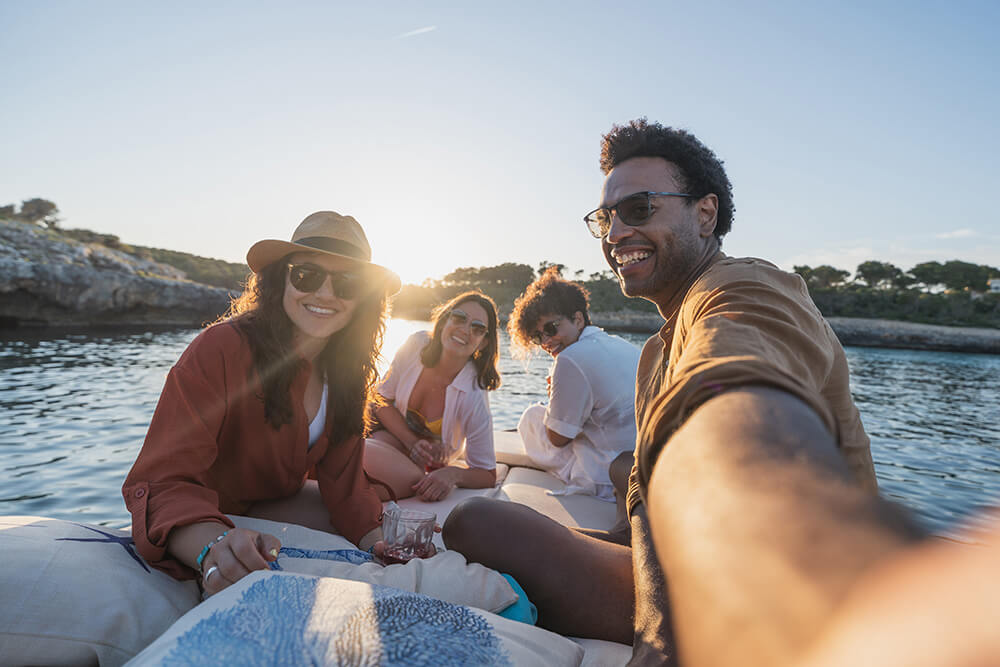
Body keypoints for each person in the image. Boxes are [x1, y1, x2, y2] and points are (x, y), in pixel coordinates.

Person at [444, 119, 925, 664]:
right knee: (540, 502)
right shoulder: (656, 349)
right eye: (606, 218)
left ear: (705, 212)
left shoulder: (744, 287)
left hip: (758, 590)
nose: (615, 232)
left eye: (640, 208)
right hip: (681, 560)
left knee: (478, 522)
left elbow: (733, 396)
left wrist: (662, 644)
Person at [123, 211, 401, 596]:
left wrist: (376, 543)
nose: (325, 293)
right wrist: (213, 546)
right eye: (307, 275)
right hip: (201, 513)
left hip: (272, 501)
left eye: (348, 283)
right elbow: (163, 479)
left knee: (391, 502)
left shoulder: (347, 371)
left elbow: (345, 482)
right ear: (279, 279)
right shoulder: (221, 348)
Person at [508, 268, 639, 505]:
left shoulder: (570, 359)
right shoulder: (622, 344)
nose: (546, 341)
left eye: (551, 328)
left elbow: (557, 439)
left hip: (603, 479)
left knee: (531, 417)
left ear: (578, 319)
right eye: (538, 337)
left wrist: (552, 401)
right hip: (637, 466)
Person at [364, 291, 501, 502]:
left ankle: (341, 498)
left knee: (411, 479)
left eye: (477, 328)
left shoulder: (474, 394)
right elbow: (380, 398)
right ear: (446, 319)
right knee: (364, 448)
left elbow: (487, 474)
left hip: (422, 464)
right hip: (391, 435)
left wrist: (452, 474)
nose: (465, 330)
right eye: (459, 318)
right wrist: (411, 442)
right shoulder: (416, 344)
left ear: (483, 342)